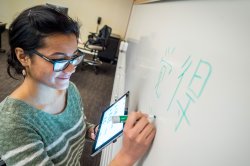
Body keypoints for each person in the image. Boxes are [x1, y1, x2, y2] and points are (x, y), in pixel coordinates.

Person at [0, 5, 156, 166]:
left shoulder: (69, 89)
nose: (71, 68)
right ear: (23, 56)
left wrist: (92, 131)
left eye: (74, 57)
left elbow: (76, 126)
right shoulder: (12, 123)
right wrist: (127, 156)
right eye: (59, 60)